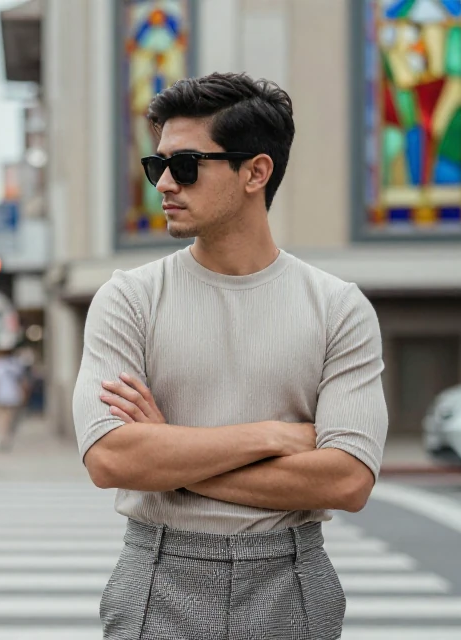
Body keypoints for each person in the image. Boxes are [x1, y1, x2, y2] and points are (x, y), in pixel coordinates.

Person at [73, 73, 387, 639]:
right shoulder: (129, 298)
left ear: (255, 172)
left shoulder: (338, 307)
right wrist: (272, 435)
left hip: (291, 574)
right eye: (157, 165)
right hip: (159, 571)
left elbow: (346, 481)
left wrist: (170, 455)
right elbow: (111, 460)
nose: (164, 182)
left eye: (186, 164)